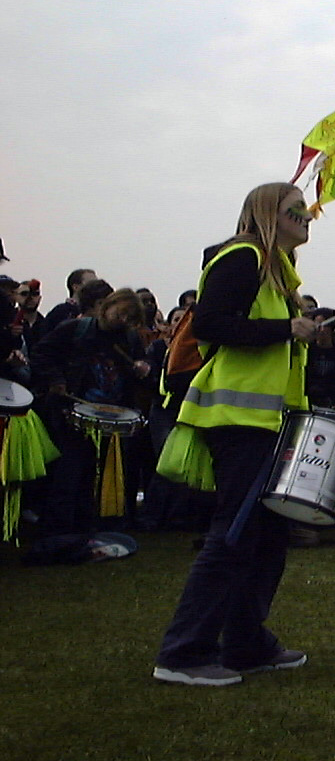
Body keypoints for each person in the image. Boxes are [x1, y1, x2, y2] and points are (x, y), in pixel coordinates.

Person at [152, 182, 317, 687]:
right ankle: (182, 654)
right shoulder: (242, 256)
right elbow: (212, 325)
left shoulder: (277, 275)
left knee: (266, 537)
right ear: (269, 213)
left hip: (266, 423)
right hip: (238, 422)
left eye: (307, 210)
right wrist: (287, 330)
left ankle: (245, 644)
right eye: (296, 209)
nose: (307, 216)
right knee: (234, 534)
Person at [27, 287, 151, 561]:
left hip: (111, 418)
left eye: (128, 318)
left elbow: (143, 368)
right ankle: (58, 533)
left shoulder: (129, 339)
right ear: (107, 306)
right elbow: (41, 355)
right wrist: (56, 381)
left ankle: (86, 529)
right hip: (72, 414)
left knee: (94, 477)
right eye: (120, 313)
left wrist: (143, 367)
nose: (122, 320)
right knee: (68, 475)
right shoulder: (75, 329)